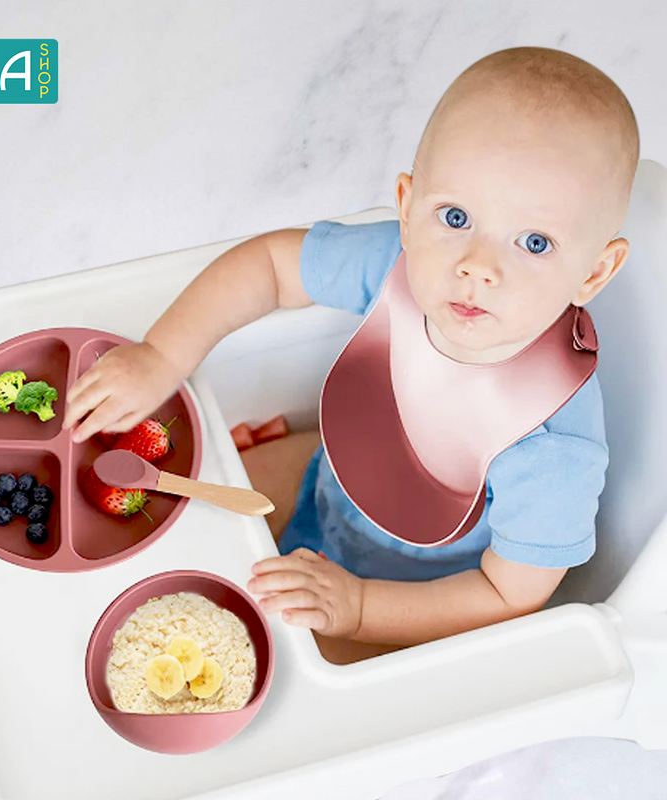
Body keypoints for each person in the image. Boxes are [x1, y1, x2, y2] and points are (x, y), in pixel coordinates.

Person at [62, 47, 639, 658]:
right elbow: (271, 264)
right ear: (408, 208)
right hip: (331, 488)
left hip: (415, 602)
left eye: (534, 242)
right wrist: (160, 355)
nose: (478, 266)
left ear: (594, 272)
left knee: (284, 665)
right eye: (456, 215)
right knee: (173, 521)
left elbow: (509, 595)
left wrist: (358, 606)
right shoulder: (401, 262)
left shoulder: (552, 448)